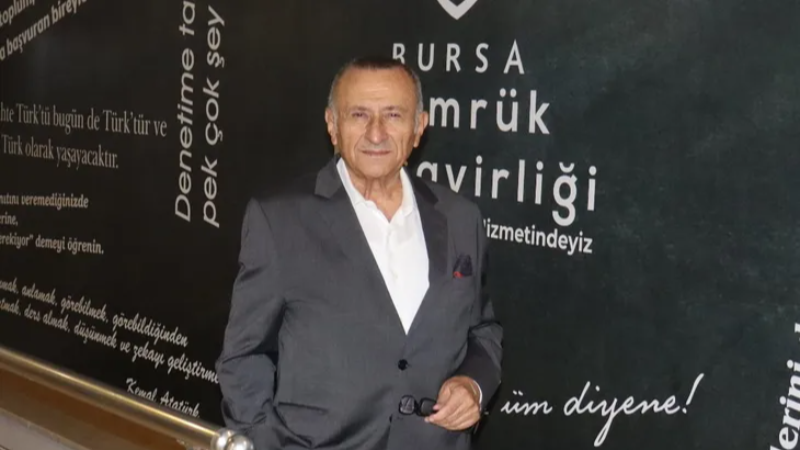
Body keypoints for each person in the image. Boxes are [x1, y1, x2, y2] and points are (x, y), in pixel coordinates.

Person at [216, 56, 503, 450]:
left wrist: (473, 384)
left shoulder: (461, 218)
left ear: (419, 127)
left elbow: (483, 331)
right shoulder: (279, 220)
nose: (376, 133)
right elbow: (243, 358)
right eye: (359, 115)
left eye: (393, 115)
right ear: (332, 125)